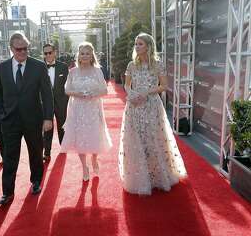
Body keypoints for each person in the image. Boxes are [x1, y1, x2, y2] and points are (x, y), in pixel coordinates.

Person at [118, 33, 187, 195]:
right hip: (134, 106)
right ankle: (140, 176)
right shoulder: (131, 65)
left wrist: (146, 92)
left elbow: (164, 86)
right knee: (137, 138)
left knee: (154, 137)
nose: (137, 46)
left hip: (151, 105)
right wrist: (133, 95)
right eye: (136, 44)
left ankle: (157, 175)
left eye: (140, 44)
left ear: (148, 46)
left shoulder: (157, 64)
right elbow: (127, 85)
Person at [0, 32, 53, 205]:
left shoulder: (39, 66)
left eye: (25, 49)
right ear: (11, 49)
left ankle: (36, 182)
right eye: (19, 49)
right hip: (10, 121)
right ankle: (7, 192)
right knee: (9, 156)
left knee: (35, 153)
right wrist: (2, 114)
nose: (22, 52)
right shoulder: (2, 67)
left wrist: (48, 118)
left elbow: (47, 94)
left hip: (33, 119)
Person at [60, 42, 112, 182]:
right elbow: (67, 90)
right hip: (77, 108)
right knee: (80, 138)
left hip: (93, 108)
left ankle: (94, 158)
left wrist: (93, 94)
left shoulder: (97, 71)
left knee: (94, 134)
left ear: (91, 56)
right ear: (78, 55)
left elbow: (104, 90)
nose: (84, 56)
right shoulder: (73, 72)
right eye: (82, 53)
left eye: (87, 53)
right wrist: (78, 93)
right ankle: (84, 167)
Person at [42, 43, 69, 162]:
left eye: (50, 52)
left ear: (55, 52)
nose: (47, 55)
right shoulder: (40, 67)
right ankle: (46, 153)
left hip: (61, 101)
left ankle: (63, 147)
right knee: (47, 128)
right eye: (45, 53)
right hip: (45, 103)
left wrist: (67, 100)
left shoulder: (63, 66)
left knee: (62, 125)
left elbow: (68, 85)